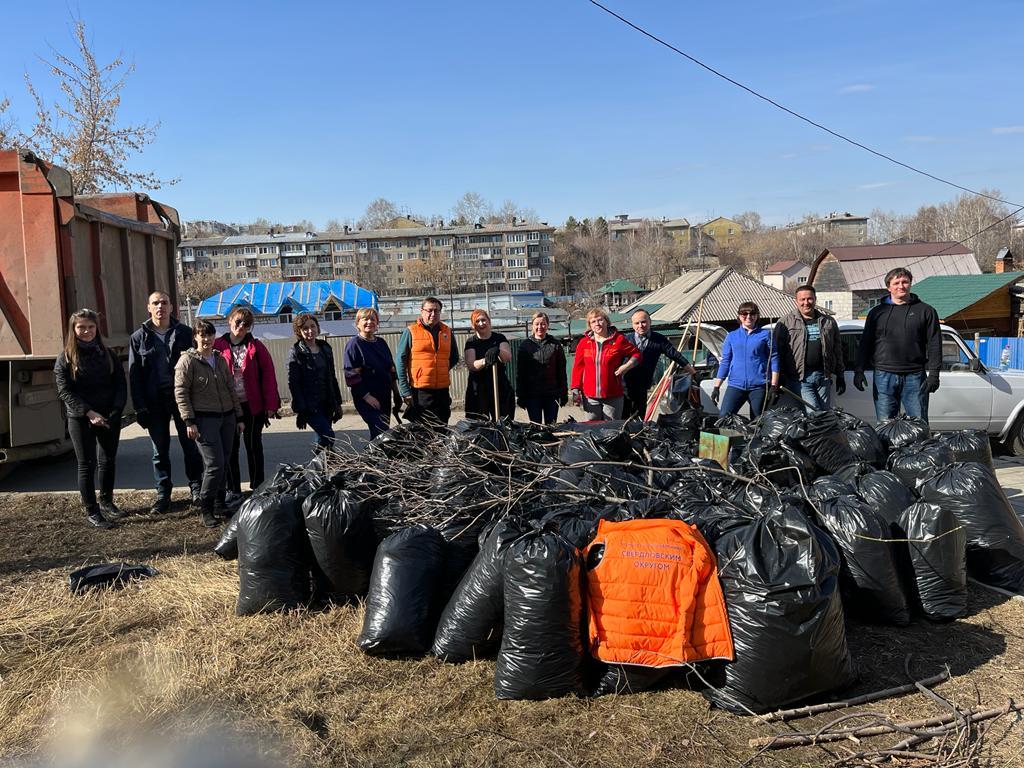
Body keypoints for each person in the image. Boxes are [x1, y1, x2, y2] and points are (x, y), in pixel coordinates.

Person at [129, 291, 204, 514]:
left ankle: (196, 489)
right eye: (155, 303)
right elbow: (135, 376)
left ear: (171, 307)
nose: (160, 306)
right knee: (159, 451)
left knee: (190, 446)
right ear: (148, 308)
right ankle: (163, 495)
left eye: (164, 303)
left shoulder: (185, 333)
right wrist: (140, 406)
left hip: (182, 399)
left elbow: (197, 366)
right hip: (154, 401)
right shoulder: (138, 338)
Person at [54, 309, 127, 529]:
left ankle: (106, 501)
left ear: (97, 329)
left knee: (108, 460)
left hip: (108, 415)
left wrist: (116, 410)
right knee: (86, 464)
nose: (87, 331)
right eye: (82, 327)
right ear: (73, 330)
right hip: (80, 417)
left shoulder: (107, 353)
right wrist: (89, 413)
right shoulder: (66, 358)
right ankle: (92, 510)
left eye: (91, 327)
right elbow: (64, 391)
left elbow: (120, 384)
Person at [175, 320, 244, 528]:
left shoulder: (220, 359)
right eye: (202, 335)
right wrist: (189, 420)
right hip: (204, 420)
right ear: (195, 337)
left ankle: (220, 503)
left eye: (210, 335)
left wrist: (239, 416)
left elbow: (231, 388)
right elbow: (181, 393)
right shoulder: (187, 361)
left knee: (224, 463)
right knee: (214, 465)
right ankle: (206, 507)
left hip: (227, 418)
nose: (207, 340)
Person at [854, 267, 941, 422]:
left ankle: (917, 448)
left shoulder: (926, 311)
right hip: (883, 375)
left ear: (910, 284)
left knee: (918, 425)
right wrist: (859, 369)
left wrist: (934, 375)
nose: (901, 286)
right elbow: (865, 343)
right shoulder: (876, 313)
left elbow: (935, 344)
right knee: (885, 424)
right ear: (889, 287)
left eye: (905, 282)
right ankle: (888, 447)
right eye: (896, 283)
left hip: (915, 376)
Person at [213, 307, 280, 501]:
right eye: (238, 321)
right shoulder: (218, 345)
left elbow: (268, 375)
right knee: (231, 449)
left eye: (246, 324)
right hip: (227, 406)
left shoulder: (256, 346)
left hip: (252, 405)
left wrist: (271, 404)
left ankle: (257, 486)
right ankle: (233, 489)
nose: (241, 326)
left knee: (253, 446)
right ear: (230, 321)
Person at [775, 285, 845, 412]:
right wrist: (779, 377)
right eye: (802, 299)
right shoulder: (785, 322)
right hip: (800, 378)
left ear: (815, 299)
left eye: (809, 299)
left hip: (823, 376)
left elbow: (837, 350)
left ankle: (822, 432)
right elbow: (777, 352)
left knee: (824, 414)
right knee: (814, 412)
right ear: (796, 301)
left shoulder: (828, 321)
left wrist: (840, 375)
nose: (806, 303)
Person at [622, 309, 697, 419]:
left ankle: (636, 435)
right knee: (622, 416)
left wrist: (693, 373)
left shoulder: (658, 340)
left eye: (643, 322)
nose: (641, 326)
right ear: (632, 325)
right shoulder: (625, 340)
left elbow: (676, 356)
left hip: (642, 385)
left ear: (649, 322)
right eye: (637, 323)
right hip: (623, 386)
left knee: (638, 417)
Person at [395, 296, 459, 425]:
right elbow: (400, 361)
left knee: (441, 429)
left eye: (437, 311)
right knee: (422, 431)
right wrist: (405, 390)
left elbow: (454, 357)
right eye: (429, 310)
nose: (433, 314)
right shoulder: (411, 331)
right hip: (420, 391)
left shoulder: (447, 331)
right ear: (422, 311)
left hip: (442, 391)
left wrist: (438, 370)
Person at [711, 302, 780, 418]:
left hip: (759, 386)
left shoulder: (766, 335)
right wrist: (716, 387)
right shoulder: (732, 336)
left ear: (757, 316)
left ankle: (755, 436)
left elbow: (774, 359)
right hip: (736, 385)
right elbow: (725, 361)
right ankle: (736, 436)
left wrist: (774, 385)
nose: (748, 317)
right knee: (723, 417)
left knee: (757, 421)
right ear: (739, 316)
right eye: (744, 314)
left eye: (752, 313)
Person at [570, 308, 641, 420]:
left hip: (613, 395)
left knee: (611, 430)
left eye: (600, 320)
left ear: (607, 322)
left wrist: (626, 366)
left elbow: (636, 354)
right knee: (592, 430)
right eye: (593, 322)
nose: (597, 324)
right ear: (590, 325)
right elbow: (578, 367)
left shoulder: (619, 340)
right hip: (590, 396)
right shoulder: (584, 343)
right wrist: (575, 389)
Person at [343, 307, 401, 439]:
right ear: (358, 323)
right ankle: (375, 459)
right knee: (380, 432)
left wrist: (396, 394)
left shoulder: (381, 343)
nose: (369, 322)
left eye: (373, 319)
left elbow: (391, 370)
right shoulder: (354, 345)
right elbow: (351, 376)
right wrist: (367, 396)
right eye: (365, 319)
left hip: (385, 396)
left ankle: (374, 459)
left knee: (381, 434)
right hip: (367, 398)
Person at [287, 313, 343, 449]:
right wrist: (301, 410)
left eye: (313, 326)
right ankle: (319, 468)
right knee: (328, 436)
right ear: (299, 332)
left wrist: (338, 403)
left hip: (327, 402)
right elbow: (294, 383)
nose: (310, 330)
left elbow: (332, 377)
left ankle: (321, 469)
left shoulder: (325, 348)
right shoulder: (296, 352)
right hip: (310, 405)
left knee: (323, 443)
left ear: (318, 328)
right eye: (305, 328)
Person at [516, 311, 568, 425]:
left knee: (551, 427)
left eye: (543, 324)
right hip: (532, 395)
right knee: (535, 427)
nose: (540, 327)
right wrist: (520, 395)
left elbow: (561, 370)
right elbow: (521, 373)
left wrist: (563, 392)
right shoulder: (525, 346)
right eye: (537, 324)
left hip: (552, 394)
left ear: (547, 325)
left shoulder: (555, 344)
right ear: (532, 326)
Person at [464, 309, 515, 420]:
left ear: (489, 321)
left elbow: (507, 357)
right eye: (477, 321)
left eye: (483, 320)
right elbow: (471, 365)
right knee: (480, 423)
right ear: (473, 325)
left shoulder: (499, 338)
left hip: (498, 384)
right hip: (478, 388)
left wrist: (498, 350)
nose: (481, 323)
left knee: (503, 421)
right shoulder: (471, 342)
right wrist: (486, 360)